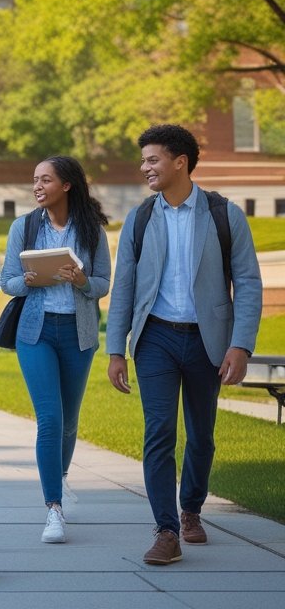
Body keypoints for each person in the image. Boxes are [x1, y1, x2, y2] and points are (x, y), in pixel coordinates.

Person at [106, 124, 261, 566]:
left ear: (180, 162)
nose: (145, 168)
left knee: (201, 434)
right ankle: (166, 529)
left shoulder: (223, 214)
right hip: (155, 337)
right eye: (143, 161)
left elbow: (248, 283)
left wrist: (241, 346)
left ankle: (191, 509)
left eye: (153, 160)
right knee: (158, 432)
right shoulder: (140, 217)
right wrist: (116, 349)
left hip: (207, 340)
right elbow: (124, 289)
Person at [0, 156, 111, 543]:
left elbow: (103, 284)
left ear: (66, 185)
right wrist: (27, 281)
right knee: (49, 419)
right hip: (37, 331)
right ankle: (53, 509)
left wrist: (82, 279)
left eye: (45, 180)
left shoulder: (92, 231)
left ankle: (60, 481)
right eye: (35, 180)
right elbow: (6, 281)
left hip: (78, 333)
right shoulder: (24, 226)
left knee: (68, 421)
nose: (37, 186)